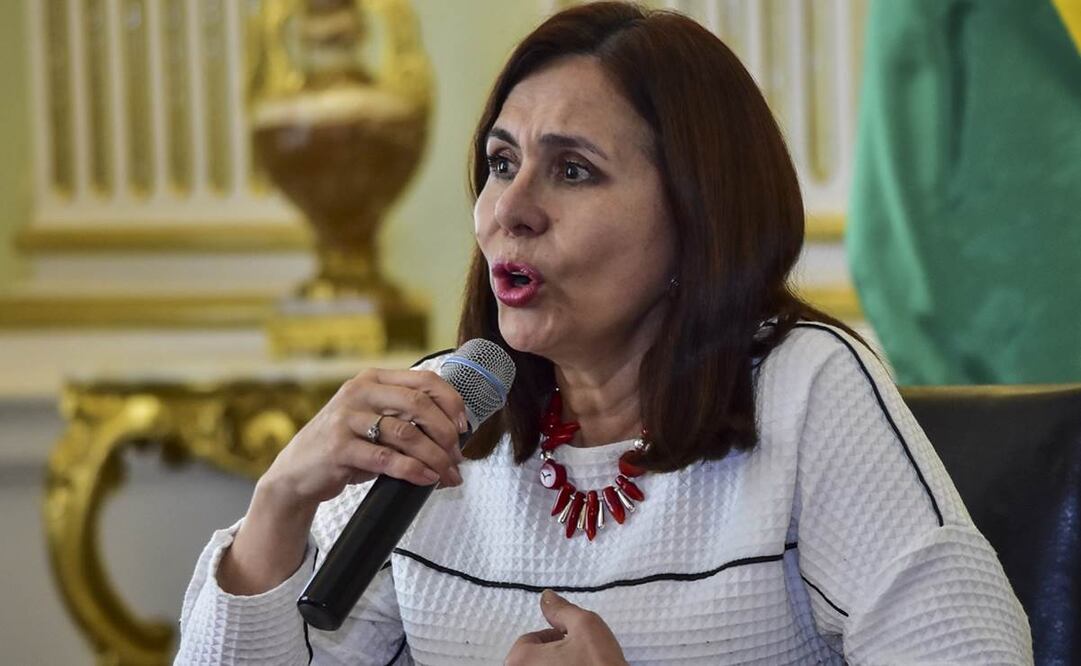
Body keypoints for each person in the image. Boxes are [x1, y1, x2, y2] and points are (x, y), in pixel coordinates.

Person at [175, 3, 1032, 664]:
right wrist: (279, 504)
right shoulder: (445, 413)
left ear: (696, 213)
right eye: (501, 162)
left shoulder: (804, 390)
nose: (507, 211)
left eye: (573, 170)